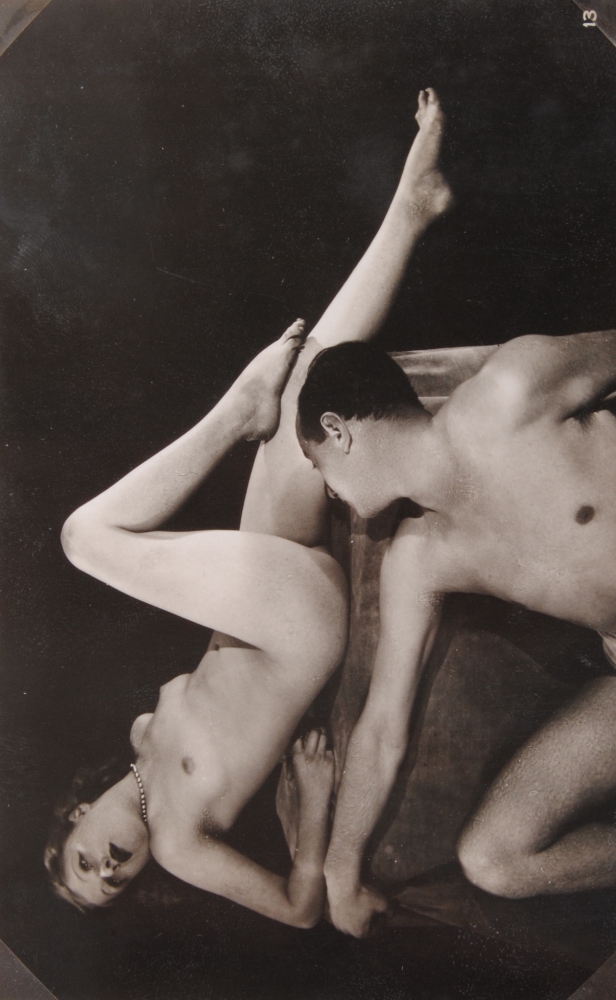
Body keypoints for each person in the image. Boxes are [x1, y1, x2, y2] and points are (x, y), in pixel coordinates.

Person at [45, 88, 453, 923]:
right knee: (85, 538)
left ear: (76, 816)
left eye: (87, 860)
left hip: (271, 591)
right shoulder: (181, 845)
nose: (110, 864)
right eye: (112, 882)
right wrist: (312, 820)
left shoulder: (143, 738)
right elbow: (298, 912)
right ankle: (235, 411)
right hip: (298, 630)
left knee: (304, 394)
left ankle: (411, 210)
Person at [297, 154, 616, 937]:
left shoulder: (508, 394)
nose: (329, 494)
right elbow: (380, 728)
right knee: (495, 860)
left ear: (339, 430)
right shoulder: (420, 557)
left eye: (317, 467)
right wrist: (338, 871)